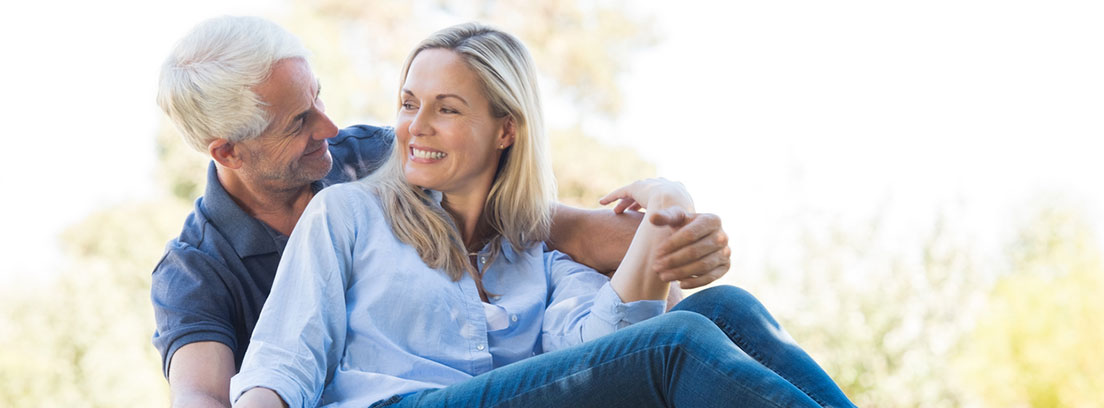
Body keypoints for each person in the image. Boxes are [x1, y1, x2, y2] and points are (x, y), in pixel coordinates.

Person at [230, 23, 854, 407]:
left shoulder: (539, 249)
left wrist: (669, 199)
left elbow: (611, 354)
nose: (415, 127)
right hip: (393, 404)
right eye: (409, 102)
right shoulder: (348, 214)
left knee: (726, 310)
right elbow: (284, 360)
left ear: (506, 130)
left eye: (446, 109)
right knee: (681, 343)